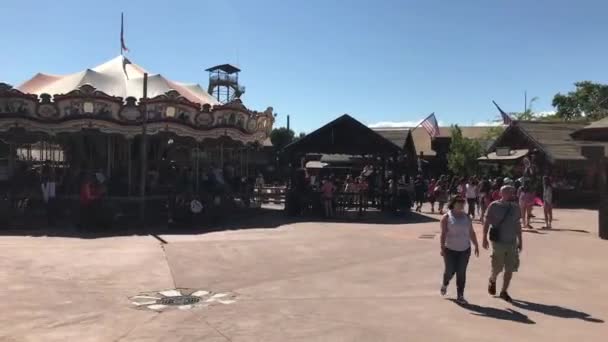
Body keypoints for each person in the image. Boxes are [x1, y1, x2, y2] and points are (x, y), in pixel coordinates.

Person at [482, 185, 523, 303]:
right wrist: (484, 237)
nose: (511, 194)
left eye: (512, 192)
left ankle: (504, 291)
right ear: (501, 193)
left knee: (510, 268)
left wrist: (520, 240)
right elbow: (487, 222)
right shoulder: (494, 206)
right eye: (508, 192)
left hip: (511, 242)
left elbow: (517, 224)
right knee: (497, 267)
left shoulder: (515, 207)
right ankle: (493, 279)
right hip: (498, 241)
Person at [440, 196, 480, 303]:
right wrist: (442, 247)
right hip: (450, 249)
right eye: (459, 202)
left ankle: (460, 295)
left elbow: (471, 232)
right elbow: (443, 234)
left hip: (465, 249)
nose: (462, 204)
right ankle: (445, 283)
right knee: (449, 271)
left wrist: (476, 245)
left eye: (463, 202)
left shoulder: (466, 216)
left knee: (461, 272)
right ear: (453, 203)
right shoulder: (446, 217)